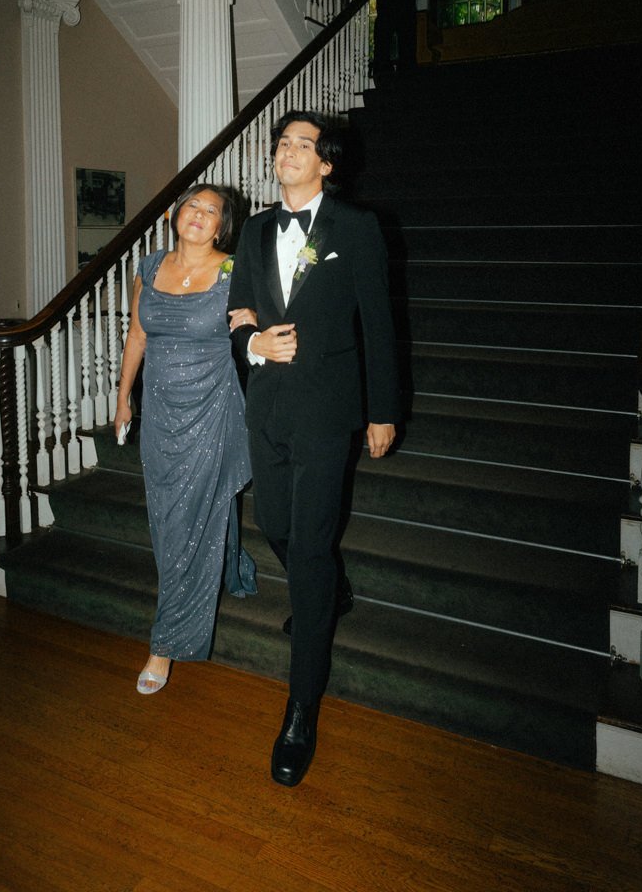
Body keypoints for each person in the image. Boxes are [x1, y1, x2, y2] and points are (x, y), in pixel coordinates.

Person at [227, 111, 400, 786]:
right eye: (282, 144)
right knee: (274, 523)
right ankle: (329, 583)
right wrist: (252, 344)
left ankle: (300, 710)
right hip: (266, 408)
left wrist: (382, 411)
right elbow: (240, 308)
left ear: (326, 163)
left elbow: (380, 322)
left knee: (309, 546)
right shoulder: (255, 229)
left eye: (302, 144)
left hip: (329, 412)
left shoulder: (356, 228)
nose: (287, 151)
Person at [114, 184, 256, 695]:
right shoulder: (150, 267)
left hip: (212, 409)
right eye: (192, 205)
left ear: (221, 226)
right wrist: (123, 395)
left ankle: (165, 643)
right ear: (175, 215)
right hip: (160, 415)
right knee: (170, 513)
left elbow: (251, 330)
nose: (199, 215)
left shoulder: (235, 272)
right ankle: (232, 566)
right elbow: (137, 334)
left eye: (211, 211)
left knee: (183, 524)